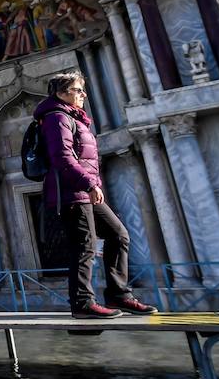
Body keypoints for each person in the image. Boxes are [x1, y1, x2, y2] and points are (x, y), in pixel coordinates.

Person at [33, 71, 156, 319]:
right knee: (85, 245)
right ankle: (82, 303)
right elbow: (62, 157)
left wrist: (90, 184)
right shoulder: (57, 117)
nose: (83, 95)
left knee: (118, 234)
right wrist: (90, 183)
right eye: (78, 90)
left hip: (82, 190)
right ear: (61, 92)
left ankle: (119, 294)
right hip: (71, 192)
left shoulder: (72, 117)